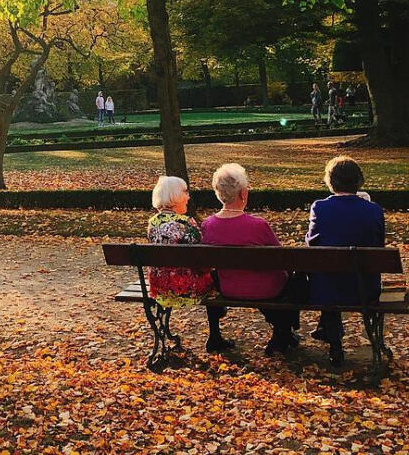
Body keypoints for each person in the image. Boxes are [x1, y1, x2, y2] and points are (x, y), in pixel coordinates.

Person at [201, 162, 305, 356]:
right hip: (267, 289)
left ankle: (215, 335)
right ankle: (283, 332)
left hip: (229, 287)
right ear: (243, 194)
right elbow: (282, 258)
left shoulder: (208, 225)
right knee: (293, 280)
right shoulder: (258, 225)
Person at [307, 156, 385, 368]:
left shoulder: (319, 208)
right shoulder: (374, 210)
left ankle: (334, 343)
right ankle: (335, 335)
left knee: (328, 278)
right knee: (335, 276)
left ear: (330, 182)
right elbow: (378, 245)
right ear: (359, 182)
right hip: (364, 289)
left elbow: (312, 243)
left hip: (326, 289)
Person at [145, 176, 217, 350]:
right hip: (188, 289)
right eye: (185, 192)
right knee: (215, 279)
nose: (188, 196)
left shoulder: (152, 224)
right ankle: (216, 335)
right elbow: (202, 261)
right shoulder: (187, 223)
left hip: (160, 288)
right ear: (174, 196)